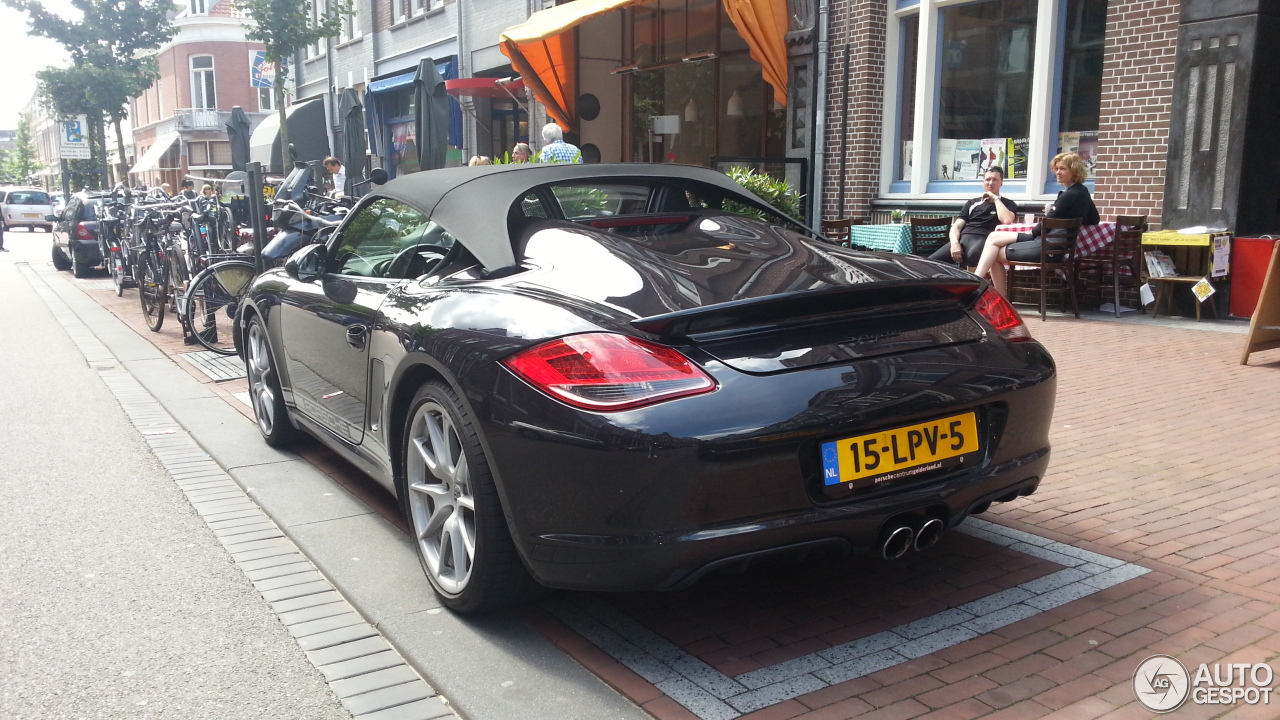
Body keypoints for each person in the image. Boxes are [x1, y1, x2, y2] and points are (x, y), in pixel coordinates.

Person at [972, 152, 1099, 295]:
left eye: (1062, 169)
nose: (1058, 172)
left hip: (1046, 247)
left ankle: (981, 286)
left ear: (1074, 170)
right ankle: (980, 282)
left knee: (992, 252)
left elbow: (1047, 222)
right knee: (994, 238)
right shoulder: (1083, 192)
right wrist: (1076, 218)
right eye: (1056, 169)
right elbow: (1095, 219)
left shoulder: (1069, 195)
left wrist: (1032, 233)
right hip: (1056, 246)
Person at [928, 166, 1019, 277]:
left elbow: (1007, 220)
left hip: (984, 239)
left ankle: (974, 289)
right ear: (983, 182)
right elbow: (956, 226)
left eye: (995, 180)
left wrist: (995, 199)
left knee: (973, 255)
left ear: (1001, 183)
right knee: (930, 263)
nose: (991, 183)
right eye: (988, 179)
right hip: (963, 238)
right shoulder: (972, 203)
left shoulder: (1007, 204)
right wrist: (955, 243)